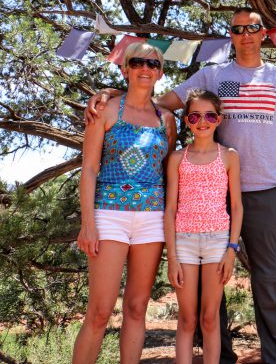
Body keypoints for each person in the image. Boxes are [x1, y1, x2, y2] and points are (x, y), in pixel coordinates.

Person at [87, 9, 276, 364]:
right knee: (208, 286)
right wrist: (113, 95)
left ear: (264, 33)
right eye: (237, 30)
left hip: (264, 191)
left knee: (270, 280)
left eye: (252, 28)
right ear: (231, 36)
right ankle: (219, 359)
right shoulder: (214, 75)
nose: (245, 35)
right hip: (212, 193)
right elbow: (155, 103)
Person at [73, 43, 177, 364]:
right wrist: (87, 223)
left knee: (137, 307)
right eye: (137, 62)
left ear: (159, 73)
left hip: (151, 221)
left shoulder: (167, 121)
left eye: (153, 63)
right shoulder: (104, 110)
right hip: (108, 216)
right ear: (125, 69)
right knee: (100, 311)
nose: (145, 68)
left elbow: (168, 173)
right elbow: (89, 168)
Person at [165, 89, 243, 364]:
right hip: (184, 242)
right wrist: (171, 257)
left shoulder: (229, 156)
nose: (202, 121)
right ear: (187, 120)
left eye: (210, 115)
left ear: (219, 120)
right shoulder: (177, 159)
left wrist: (231, 250)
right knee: (187, 319)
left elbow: (236, 207)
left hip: (218, 242)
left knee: (209, 319)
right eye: (195, 116)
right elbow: (171, 208)